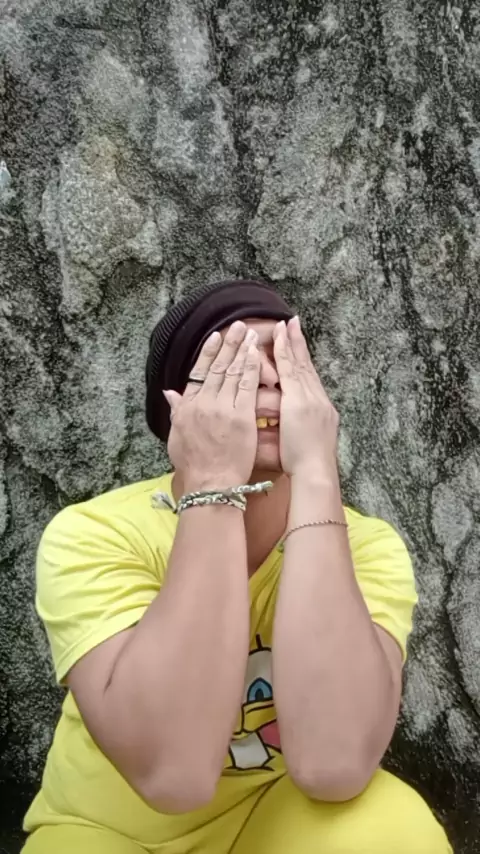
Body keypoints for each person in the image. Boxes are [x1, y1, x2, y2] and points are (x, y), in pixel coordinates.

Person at [22, 279, 452, 853]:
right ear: (177, 408)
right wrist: (212, 482)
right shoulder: (94, 534)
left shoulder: (368, 547)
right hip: (108, 829)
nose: (269, 378)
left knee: (395, 832)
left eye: (286, 359)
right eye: (234, 364)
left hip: (276, 819)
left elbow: (336, 766)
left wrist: (317, 471)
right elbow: (172, 776)